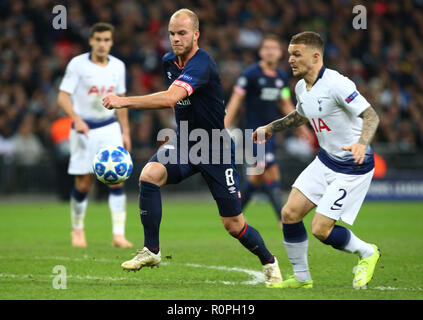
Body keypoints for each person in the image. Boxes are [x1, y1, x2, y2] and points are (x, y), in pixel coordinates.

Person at [102, 8, 282, 287]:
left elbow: (171, 97)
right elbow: (179, 102)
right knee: (149, 175)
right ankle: (152, 250)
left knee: (233, 225)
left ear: (196, 34)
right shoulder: (168, 61)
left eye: (182, 33)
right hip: (185, 141)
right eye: (172, 33)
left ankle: (269, 261)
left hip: (216, 149)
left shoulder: (202, 64)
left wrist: (124, 101)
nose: (176, 38)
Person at [253, 31, 381, 289]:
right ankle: (301, 278)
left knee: (321, 229)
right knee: (289, 214)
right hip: (325, 160)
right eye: (289, 54)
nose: (290, 59)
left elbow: (371, 116)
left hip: (352, 167)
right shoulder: (301, 86)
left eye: (296, 54)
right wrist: (270, 128)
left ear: (315, 56)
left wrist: (361, 144)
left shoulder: (337, 84)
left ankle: (368, 252)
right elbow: (301, 115)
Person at [224, 34, 313, 229]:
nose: (270, 51)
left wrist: (301, 128)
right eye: (267, 48)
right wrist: (223, 127)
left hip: (271, 134)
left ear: (280, 53)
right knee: (269, 169)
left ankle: (233, 214)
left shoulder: (281, 77)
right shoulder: (251, 75)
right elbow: (236, 99)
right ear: (261, 52)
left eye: (274, 48)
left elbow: (285, 102)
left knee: (256, 178)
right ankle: (282, 220)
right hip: (253, 134)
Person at [57, 22, 132, 248]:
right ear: (91, 41)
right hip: (84, 129)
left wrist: (125, 131)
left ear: (111, 42)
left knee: (118, 180)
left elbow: (122, 101)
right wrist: (76, 119)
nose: (102, 44)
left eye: (106, 40)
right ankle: (77, 230)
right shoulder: (78, 65)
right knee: (83, 183)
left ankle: (118, 234)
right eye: (98, 40)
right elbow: (62, 97)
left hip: (110, 127)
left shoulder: (118, 66)